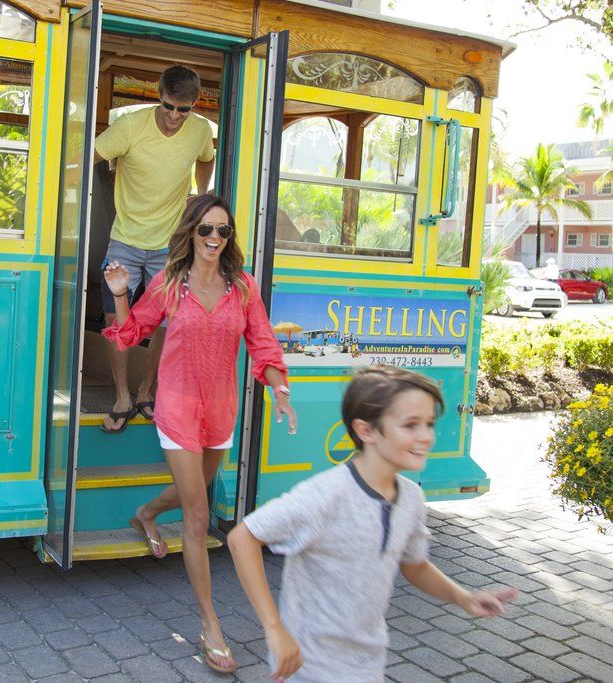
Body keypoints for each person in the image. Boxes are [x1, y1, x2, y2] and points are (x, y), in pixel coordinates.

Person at [103, 194, 296, 673]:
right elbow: (130, 334)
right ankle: (210, 624)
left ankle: (145, 514)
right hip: (177, 407)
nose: (214, 239)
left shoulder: (243, 287)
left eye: (223, 231)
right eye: (206, 230)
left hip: (220, 409)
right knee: (198, 513)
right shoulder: (170, 283)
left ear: (230, 238)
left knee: (199, 491)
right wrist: (121, 292)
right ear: (191, 232)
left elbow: (263, 344)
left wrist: (280, 389)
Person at [227, 365, 518, 681]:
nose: (425, 436)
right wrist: (274, 628)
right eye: (410, 425)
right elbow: (243, 537)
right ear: (366, 431)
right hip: (308, 666)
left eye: (429, 424)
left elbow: (415, 565)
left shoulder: (410, 497)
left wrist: (465, 597)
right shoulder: (326, 494)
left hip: (368, 663)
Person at [95, 64, 216, 433]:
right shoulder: (130, 126)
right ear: (157, 97)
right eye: (169, 106)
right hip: (125, 239)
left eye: (185, 109)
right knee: (117, 322)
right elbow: (87, 156)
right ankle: (122, 397)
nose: (176, 116)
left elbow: (206, 160)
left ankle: (147, 391)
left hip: (169, 244)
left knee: (168, 321)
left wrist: (200, 196)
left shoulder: (199, 130)